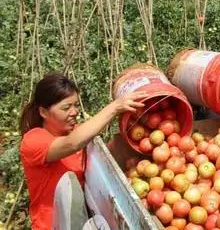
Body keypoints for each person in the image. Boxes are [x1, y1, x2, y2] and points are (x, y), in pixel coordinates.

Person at [19, 73, 146, 230]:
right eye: (66, 108)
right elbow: (72, 144)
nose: (74, 112)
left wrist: (135, 138)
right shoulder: (34, 140)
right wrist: (115, 107)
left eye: (76, 105)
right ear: (43, 112)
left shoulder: (78, 133)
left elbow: (103, 159)